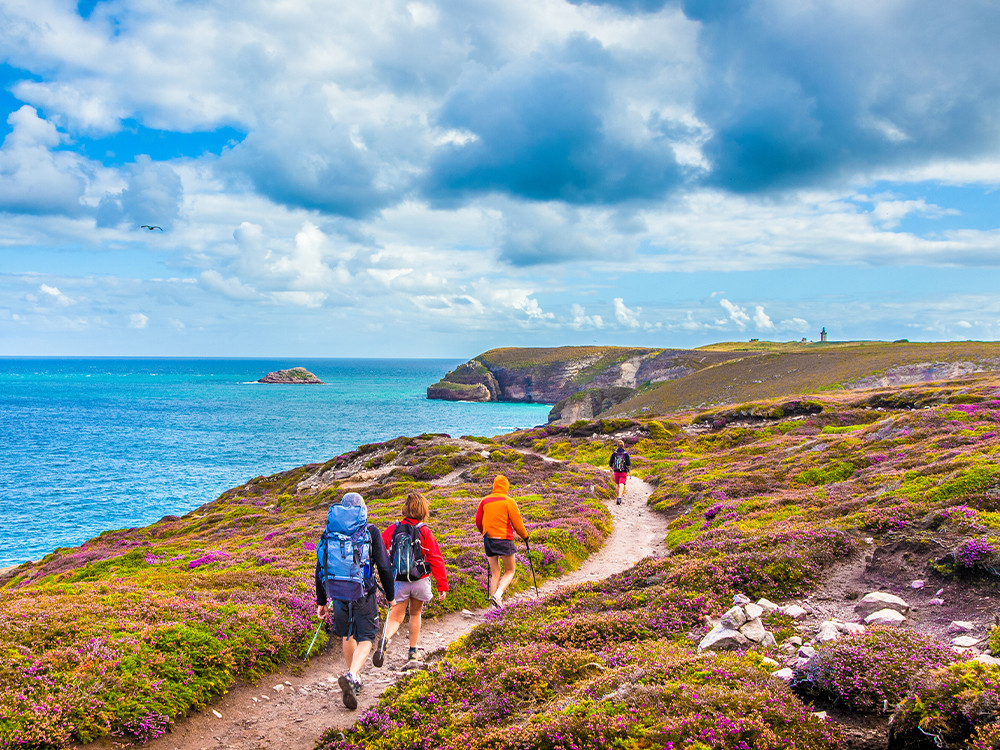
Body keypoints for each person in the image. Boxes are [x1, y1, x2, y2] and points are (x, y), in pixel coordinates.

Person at [315, 492, 395, 711]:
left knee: (348, 634)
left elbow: (320, 566)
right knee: (367, 636)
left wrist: (321, 600)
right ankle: (352, 675)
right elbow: (384, 566)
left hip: (337, 594)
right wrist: (390, 595)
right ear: (361, 509)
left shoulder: (330, 532)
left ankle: (355, 679)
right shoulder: (370, 531)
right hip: (364, 593)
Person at [374, 492, 449, 667]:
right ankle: (413, 652)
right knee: (415, 614)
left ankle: (385, 639)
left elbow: (380, 550)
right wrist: (442, 585)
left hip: (398, 580)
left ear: (405, 509)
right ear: (423, 510)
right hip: (420, 580)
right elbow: (436, 558)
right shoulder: (424, 531)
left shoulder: (393, 529)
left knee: (395, 617)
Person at [475, 474, 529, 608]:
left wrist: (484, 533)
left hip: (488, 539)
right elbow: (518, 524)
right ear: (506, 487)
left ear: (494, 486)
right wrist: (525, 536)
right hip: (504, 540)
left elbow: (478, 521)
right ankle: (498, 595)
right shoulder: (508, 501)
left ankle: (493, 608)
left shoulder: (484, 501)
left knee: (495, 573)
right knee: (510, 570)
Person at [609, 439, 631, 505]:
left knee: (617, 484)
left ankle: (617, 497)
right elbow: (628, 463)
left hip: (616, 471)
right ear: (623, 446)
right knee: (622, 484)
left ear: (617, 446)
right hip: (623, 471)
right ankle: (619, 498)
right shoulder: (626, 454)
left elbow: (610, 463)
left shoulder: (614, 454)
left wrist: (612, 468)